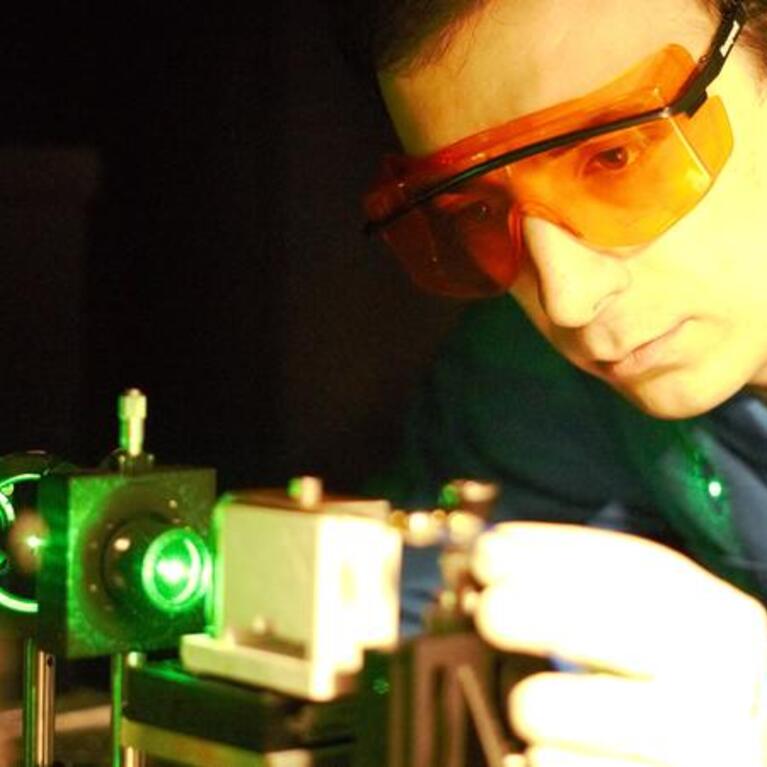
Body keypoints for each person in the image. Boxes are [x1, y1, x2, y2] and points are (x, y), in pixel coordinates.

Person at [327, 0, 767, 764]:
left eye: (614, 156)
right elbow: (376, 618)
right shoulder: (534, 383)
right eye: (477, 210)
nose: (565, 297)